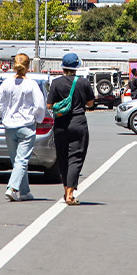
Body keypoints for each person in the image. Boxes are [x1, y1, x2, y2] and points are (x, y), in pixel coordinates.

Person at [0, 53, 45, 202]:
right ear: (28, 67)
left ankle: (25, 192)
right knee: (22, 161)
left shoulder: (6, 83)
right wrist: (37, 118)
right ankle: (12, 188)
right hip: (26, 126)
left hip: (9, 126)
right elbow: (40, 105)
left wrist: (2, 114)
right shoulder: (32, 84)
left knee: (17, 161)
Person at [47, 53, 94, 206]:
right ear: (77, 67)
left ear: (63, 67)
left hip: (60, 124)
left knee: (62, 158)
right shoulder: (83, 83)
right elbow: (90, 104)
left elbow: (49, 105)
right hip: (78, 123)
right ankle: (70, 194)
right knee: (76, 158)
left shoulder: (55, 83)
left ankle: (66, 189)